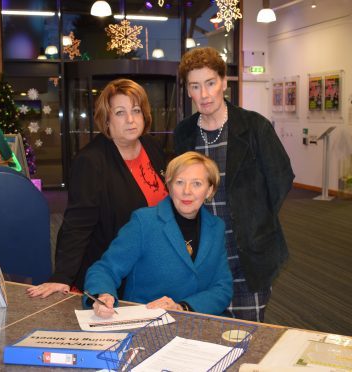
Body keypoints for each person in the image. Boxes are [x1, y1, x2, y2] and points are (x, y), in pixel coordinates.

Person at [174, 47, 294, 322]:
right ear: (188, 91)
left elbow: (281, 179)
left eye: (210, 83)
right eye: (195, 86)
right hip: (201, 256)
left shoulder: (254, 128)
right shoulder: (184, 133)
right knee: (202, 332)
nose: (204, 95)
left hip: (245, 256)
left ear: (224, 82)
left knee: (246, 336)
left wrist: (254, 220)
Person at [27, 79, 168, 298]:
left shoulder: (152, 148)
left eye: (136, 110)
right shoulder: (91, 162)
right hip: (111, 277)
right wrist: (62, 277)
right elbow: (77, 225)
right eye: (120, 112)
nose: (130, 119)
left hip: (150, 269)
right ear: (107, 119)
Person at [84, 152, 233, 317]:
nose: (187, 191)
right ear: (169, 186)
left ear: (209, 190)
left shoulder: (216, 227)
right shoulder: (144, 222)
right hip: (145, 322)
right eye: (179, 182)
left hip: (195, 322)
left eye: (197, 184)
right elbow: (105, 269)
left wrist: (182, 307)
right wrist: (103, 294)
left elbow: (222, 287)